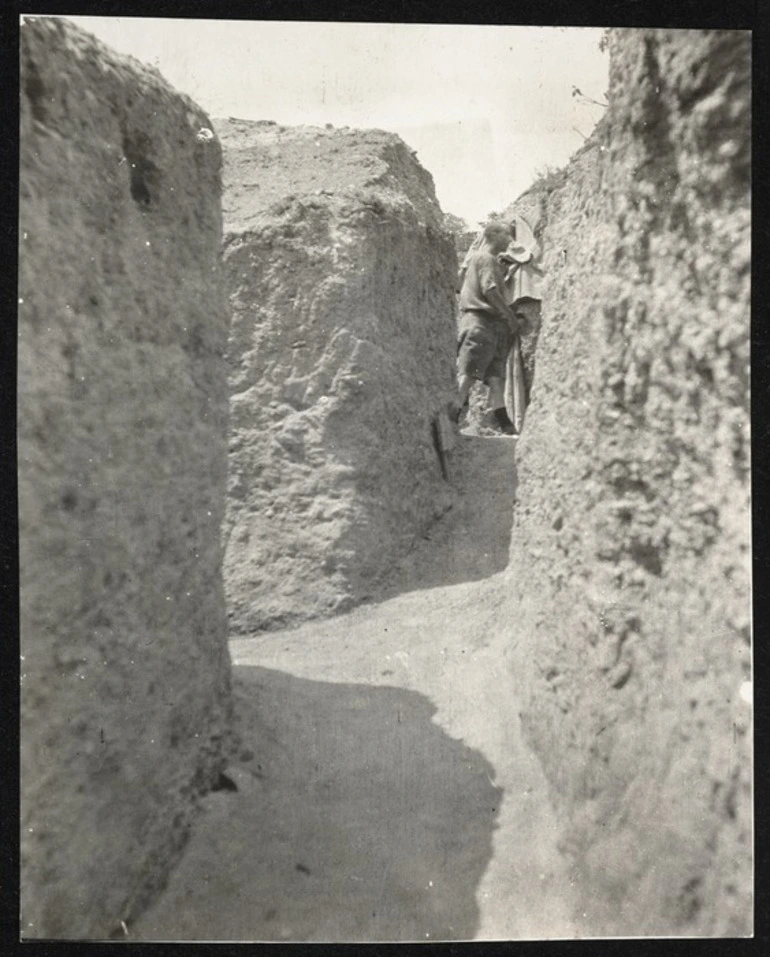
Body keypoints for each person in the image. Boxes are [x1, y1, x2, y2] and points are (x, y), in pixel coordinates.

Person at [454, 221, 519, 435]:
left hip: (486, 325)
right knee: (468, 375)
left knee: (495, 378)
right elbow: (490, 290)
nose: (510, 240)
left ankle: (506, 424)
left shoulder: (481, 259)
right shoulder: (486, 258)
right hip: (480, 323)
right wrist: (509, 315)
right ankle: (449, 423)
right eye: (507, 235)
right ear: (494, 234)